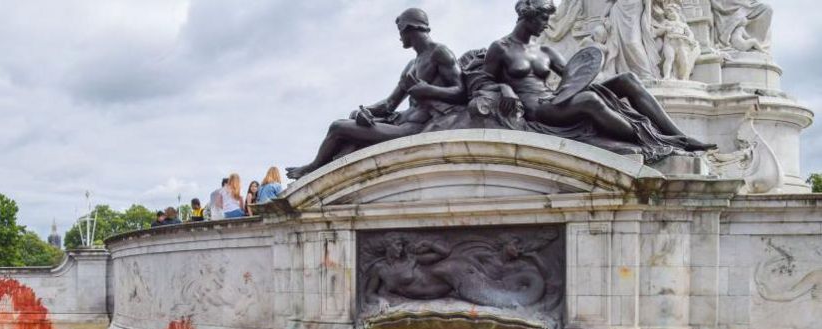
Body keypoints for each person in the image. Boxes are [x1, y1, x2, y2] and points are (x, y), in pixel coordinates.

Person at [480, 0, 715, 163]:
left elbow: (573, 74)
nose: (547, 23)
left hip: (554, 98)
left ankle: (680, 137)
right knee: (589, 99)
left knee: (627, 80)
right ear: (527, 16)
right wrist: (505, 87)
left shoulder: (544, 51)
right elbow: (481, 81)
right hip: (538, 109)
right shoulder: (501, 48)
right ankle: (655, 140)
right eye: (543, 17)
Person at [285, 8, 466, 180]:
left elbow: (461, 92)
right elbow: (389, 104)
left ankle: (313, 168)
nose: (399, 37)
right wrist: (365, 111)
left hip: (414, 128)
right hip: (400, 120)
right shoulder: (412, 65)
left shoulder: (440, 53)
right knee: (353, 120)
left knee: (338, 128)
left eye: (400, 31)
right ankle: (322, 175)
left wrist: (428, 90)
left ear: (408, 28)